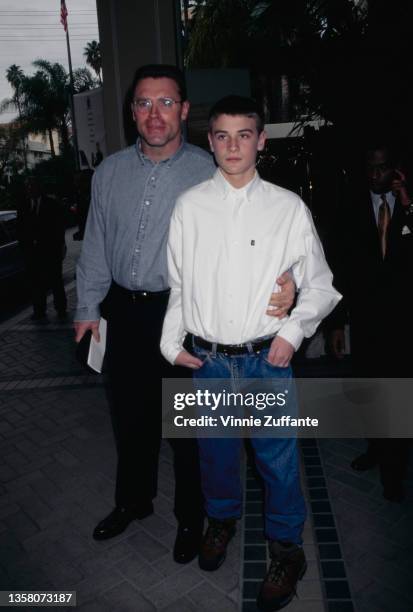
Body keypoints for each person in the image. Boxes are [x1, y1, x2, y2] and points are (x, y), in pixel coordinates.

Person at [74, 65, 294, 564]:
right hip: (121, 318)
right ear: (132, 111)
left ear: (185, 110)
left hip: (183, 318)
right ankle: (133, 501)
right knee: (130, 419)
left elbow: (259, 232)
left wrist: (290, 280)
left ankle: (193, 518)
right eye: (145, 104)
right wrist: (87, 308)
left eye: (167, 103)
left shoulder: (210, 173)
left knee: (188, 430)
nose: (155, 115)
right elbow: (95, 251)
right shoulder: (108, 174)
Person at [161, 95, 341, 610]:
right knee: (214, 456)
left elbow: (321, 286)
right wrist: (171, 344)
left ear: (261, 140)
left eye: (244, 134)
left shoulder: (287, 208)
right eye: (222, 135)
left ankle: (287, 552)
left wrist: (293, 332)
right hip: (209, 363)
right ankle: (221, 524)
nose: (233, 145)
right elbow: (178, 285)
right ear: (209, 141)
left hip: (266, 361)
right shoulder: (190, 207)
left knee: (278, 464)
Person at [327, 142, 413, 502]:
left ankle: (394, 470)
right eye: (369, 168)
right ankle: (377, 448)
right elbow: (339, 269)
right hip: (366, 319)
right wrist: (335, 323)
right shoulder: (351, 207)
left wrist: (408, 204)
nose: (374, 175)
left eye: (381, 168)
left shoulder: (408, 207)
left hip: (404, 321)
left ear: (396, 169)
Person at [17, 176, 67, 321]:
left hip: (50, 251)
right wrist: (25, 247)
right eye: (27, 187)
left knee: (55, 280)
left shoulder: (51, 204)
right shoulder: (23, 206)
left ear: (39, 188)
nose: (30, 189)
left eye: (32, 186)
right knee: (36, 282)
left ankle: (61, 308)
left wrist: (59, 246)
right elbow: (20, 229)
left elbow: (59, 227)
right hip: (32, 253)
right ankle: (39, 310)